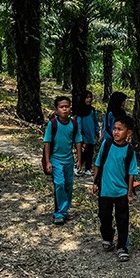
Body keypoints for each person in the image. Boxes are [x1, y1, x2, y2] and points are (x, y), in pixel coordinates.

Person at [92, 115, 138, 262]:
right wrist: (95, 182)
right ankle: (108, 237)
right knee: (104, 216)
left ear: (128, 133)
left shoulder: (129, 151)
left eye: (120, 129)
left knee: (122, 219)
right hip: (105, 189)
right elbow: (98, 164)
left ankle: (122, 247)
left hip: (121, 192)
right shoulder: (106, 144)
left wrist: (129, 193)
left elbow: (131, 174)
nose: (116, 132)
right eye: (114, 129)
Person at [43, 96, 82, 225]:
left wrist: (79, 160)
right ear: (56, 110)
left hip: (69, 160)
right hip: (56, 159)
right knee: (59, 184)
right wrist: (48, 162)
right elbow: (47, 143)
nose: (65, 109)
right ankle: (59, 213)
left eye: (67, 106)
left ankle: (64, 211)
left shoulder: (74, 124)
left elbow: (77, 141)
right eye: (62, 107)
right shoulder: (53, 124)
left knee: (68, 186)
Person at [75, 90, 100, 176]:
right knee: (84, 153)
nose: (89, 100)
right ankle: (78, 166)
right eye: (87, 98)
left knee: (90, 153)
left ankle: (88, 168)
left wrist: (97, 132)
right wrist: (79, 136)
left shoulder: (92, 111)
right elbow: (78, 125)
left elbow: (95, 122)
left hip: (91, 136)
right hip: (83, 137)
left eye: (90, 98)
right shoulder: (80, 111)